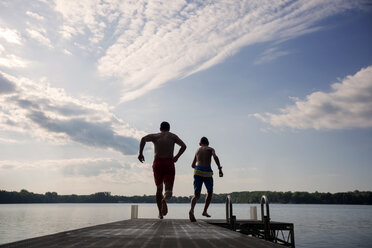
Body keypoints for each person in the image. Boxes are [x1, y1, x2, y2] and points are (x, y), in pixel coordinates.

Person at [138, 121, 186, 219]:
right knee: (168, 190)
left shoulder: (155, 136)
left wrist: (140, 153)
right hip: (169, 162)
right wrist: (176, 157)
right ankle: (164, 199)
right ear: (169, 128)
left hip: (158, 163)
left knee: (159, 189)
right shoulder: (173, 136)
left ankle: (160, 213)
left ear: (160, 128)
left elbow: (143, 139)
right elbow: (184, 146)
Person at [189, 136, 223, 222]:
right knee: (210, 192)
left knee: (196, 194)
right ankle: (204, 211)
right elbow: (215, 157)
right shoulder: (210, 149)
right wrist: (219, 169)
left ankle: (191, 210)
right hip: (207, 171)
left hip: (197, 171)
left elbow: (193, 165)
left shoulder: (197, 150)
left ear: (200, 143)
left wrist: (198, 167)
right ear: (208, 143)